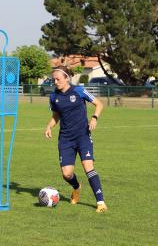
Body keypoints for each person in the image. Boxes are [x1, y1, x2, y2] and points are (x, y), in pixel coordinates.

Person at [44, 66, 107, 213]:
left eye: (58, 79)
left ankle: (101, 202)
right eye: (54, 79)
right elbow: (56, 116)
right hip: (65, 139)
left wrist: (94, 118)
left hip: (83, 136)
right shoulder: (54, 97)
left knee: (88, 168)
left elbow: (99, 104)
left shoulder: (78, 91)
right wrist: (49, 127)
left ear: (66, 78)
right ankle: (77, 187)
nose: (55, 81)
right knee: (66, 174)